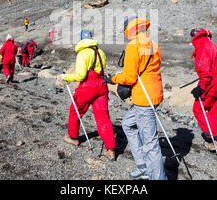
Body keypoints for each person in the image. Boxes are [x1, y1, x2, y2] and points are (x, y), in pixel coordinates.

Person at [104, 17, 167, 180]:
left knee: (151, 143)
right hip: (154, 94)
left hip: (144, 98)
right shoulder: (153, 44)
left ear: (130, 29)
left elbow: (130, 77)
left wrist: (113, 79)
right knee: (127, 124)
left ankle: (157, 177)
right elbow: (153, 68)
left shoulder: (133, 46)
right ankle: (142, 165)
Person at [59, 30, 116, 161]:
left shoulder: (82, 53)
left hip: (88, 87)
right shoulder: (100, 52)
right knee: (103, 117)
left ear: (81, 40)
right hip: (102, 86)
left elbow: (80, 75)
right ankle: (110, 149)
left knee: (75, 110)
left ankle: (73, 138)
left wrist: (65, 76)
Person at [190, 28, 217, 151]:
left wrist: (200, 87)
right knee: (214, 109)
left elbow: (206, 73)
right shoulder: (214, 46)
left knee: (198, 109)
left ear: (195, 37)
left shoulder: (203, 48)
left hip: (212, 83)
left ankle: (212, 136)